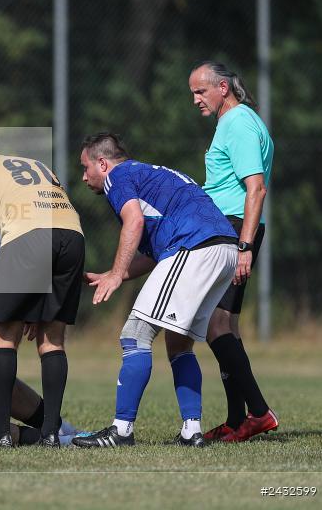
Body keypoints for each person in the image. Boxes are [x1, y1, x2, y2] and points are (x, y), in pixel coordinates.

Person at [73, 133, 238, 448]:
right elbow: (150, 253)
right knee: (178, 343)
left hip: (194, 247)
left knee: (135, 335)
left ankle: (121, 430)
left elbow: (132, 223)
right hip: (223, 249)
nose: (84, 177)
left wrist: (117, 273)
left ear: (102, 164)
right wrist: (115, 274)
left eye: (86, 167)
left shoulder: (117, 178)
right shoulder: (150, 174)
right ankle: (192, 431)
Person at [0, 136, 85, 448]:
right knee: (52, 339)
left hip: (28, 237)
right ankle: (51, 434)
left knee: (3, 336)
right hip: (74, 237)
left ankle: (0, 435)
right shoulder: (36, 165)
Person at [189, 61, 278, 442]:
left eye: (200, 91)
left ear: (223, 87)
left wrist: (243, 246)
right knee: (226, 325)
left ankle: (258, 413)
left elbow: (255, 188)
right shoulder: (237, 121)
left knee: (215, 324)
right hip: (231, 227)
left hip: (232, 227)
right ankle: (236, 419)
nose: (195, 99)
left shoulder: (238, 122)